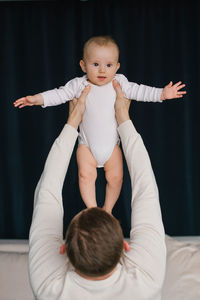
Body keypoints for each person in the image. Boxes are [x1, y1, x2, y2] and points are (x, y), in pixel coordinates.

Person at [14, 35, 186, 213]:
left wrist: (162, 94)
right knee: (85, 175)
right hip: (86, 146)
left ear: (117, 66)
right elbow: (58, 94)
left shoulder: (119, 83)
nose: (102, 70)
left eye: (109, 65)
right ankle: (93, 209)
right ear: (83, 66)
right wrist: (37, 99)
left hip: (112, 147)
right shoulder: (78, 84)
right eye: (95, 64)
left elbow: (140, 91)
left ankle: (108, 209)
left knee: (116, 178)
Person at [29, 80, 166, 300]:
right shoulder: (148, 280)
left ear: (62, 250)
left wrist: (74, 119)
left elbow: (145, 189)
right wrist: (122, 116)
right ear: (125, 246)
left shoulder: (49, 287)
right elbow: (47, 193)